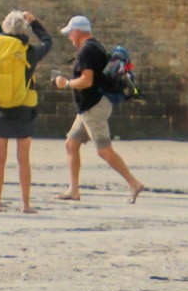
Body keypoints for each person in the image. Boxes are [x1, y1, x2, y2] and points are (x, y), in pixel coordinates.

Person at [53, 16, 144, 203]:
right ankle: (74, 190)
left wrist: (66, 83)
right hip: (89, 107)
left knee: (104, 150)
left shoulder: (86, 51)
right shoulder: (95, 46)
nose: (69, 36)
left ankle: (134, 183)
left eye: (70, 32)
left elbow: (87, 80)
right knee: (71, 144)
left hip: (94, 107)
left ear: (77, 31)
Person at [0, 9, 50, 213]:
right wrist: (35, 22)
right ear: (23, 29)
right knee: (23, 159)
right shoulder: (29, 52)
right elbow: (48, 42)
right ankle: (26, 204)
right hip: (23, 107)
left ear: (4, 28)